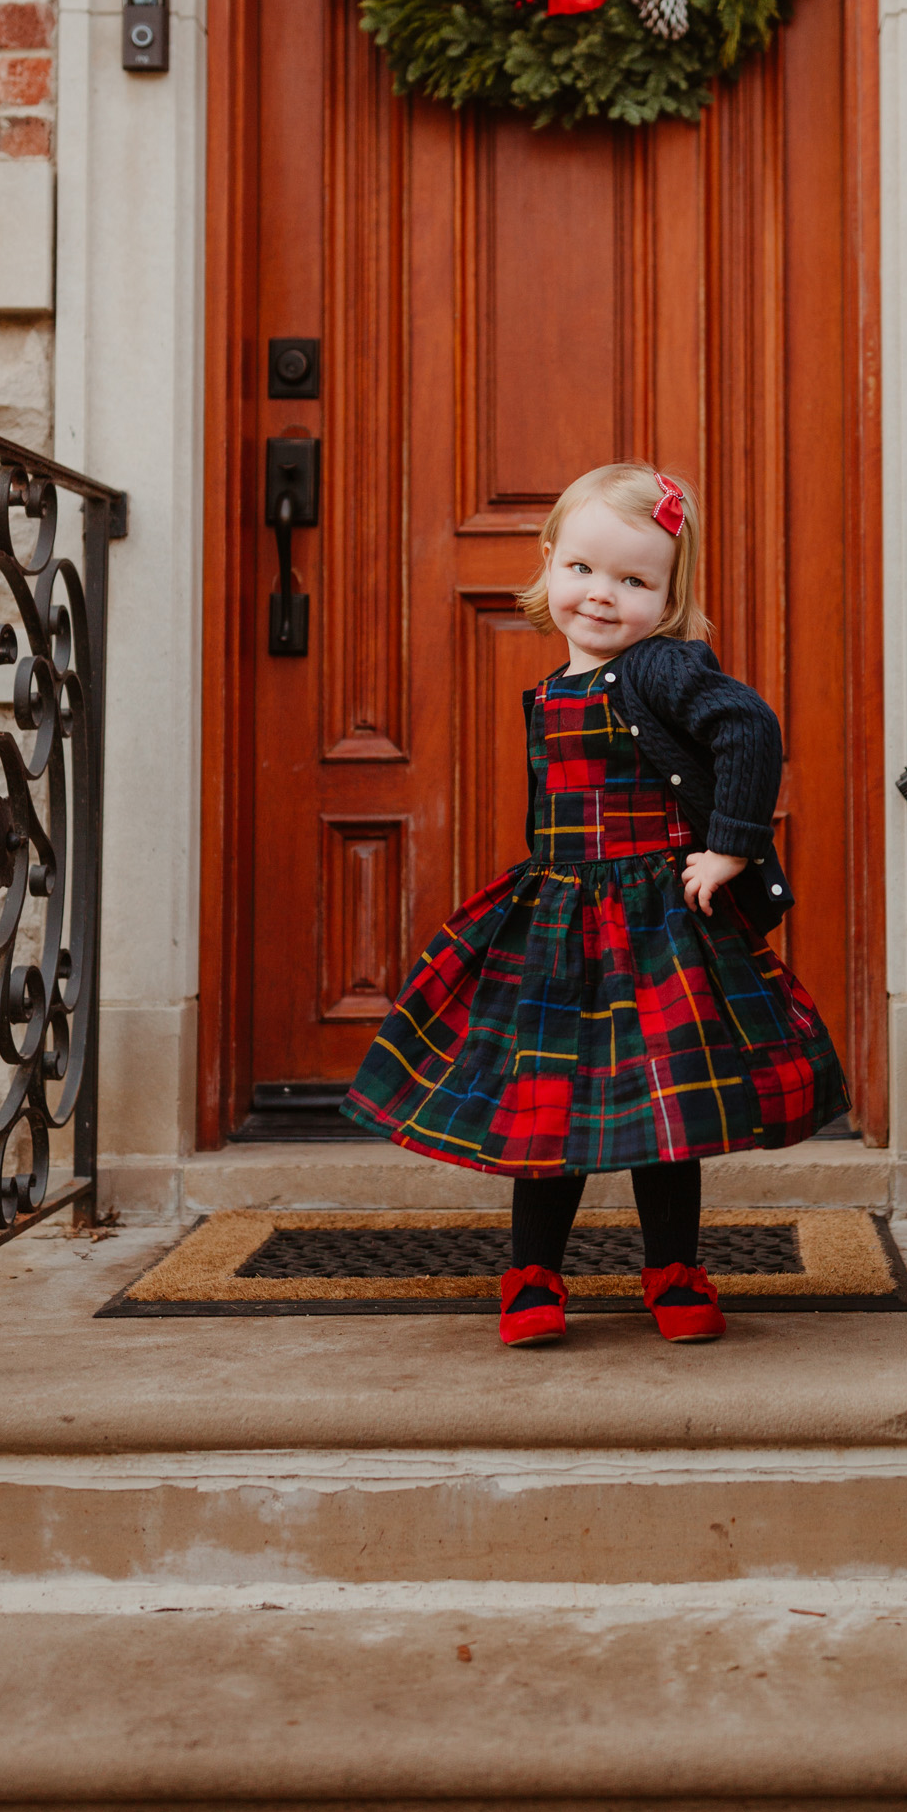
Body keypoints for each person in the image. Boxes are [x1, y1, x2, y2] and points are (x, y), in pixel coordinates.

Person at [341, 462, 848, 1347]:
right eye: (583, 570)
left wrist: (729, 844)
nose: (603, 596)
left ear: (668, 596)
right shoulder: (556, 687)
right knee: (549, 1108)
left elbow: (749, 728)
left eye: (634, 580)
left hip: (656, 927)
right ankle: (533, 1273)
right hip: (562, 926)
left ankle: (674, 1269)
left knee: (667, 1116)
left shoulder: (659, 668)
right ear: (548, 563)